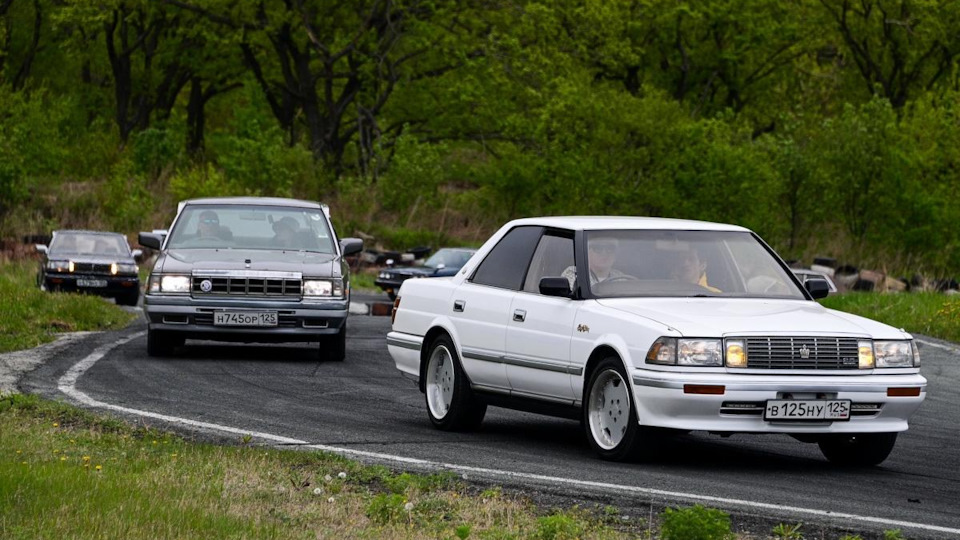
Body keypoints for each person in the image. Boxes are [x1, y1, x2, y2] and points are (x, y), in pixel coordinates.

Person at [562, 236, 628, 288]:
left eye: (610, 249)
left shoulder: (621, 278)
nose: (604, 253)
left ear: (615, 255)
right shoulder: (574, 273)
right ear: (587, 252)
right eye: (598, 248)